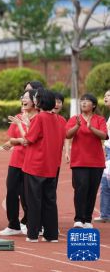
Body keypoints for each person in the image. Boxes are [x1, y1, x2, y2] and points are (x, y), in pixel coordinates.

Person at [19, 89, 66, 242]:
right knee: (50, 201)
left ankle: (32, 234)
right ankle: (51, 235)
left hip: (35, 165)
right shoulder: (61, 120)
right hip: (52, 166)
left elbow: (28, 139)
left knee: (33, 201)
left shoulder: (39, 118)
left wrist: (25, 125)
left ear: (40, 101)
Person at [66, 93, 109, 228]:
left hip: (96, 162)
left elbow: (104, 135)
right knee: (81, 188)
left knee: (92, 190)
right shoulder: (75, 119)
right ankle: (79, 218)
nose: (84, 103)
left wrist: (91, 128)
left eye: (87, 101)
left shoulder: (99, 119)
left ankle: (88, 219)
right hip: (79, 161)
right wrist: (77, 126)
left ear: (94, 105)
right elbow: (67, 134)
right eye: (82, 101)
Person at [0, 89, 37, 236]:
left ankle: (28, 222)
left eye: (27, 98)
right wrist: (12, 142)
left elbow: (28, 140)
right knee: (12, 192)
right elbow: (12, 138)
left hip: (31, 161)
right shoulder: (18, 117)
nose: (23, 100)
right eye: (23, 97)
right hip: (16, 161)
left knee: (28, 195)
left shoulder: (39, 118)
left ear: (35, 101)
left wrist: (17, 140)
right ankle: (13, 224)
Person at [95, 90, 110, 222]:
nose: (105, 97)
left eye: (109, 96)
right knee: (105, 184)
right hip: (108, 151)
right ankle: (105, 213)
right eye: (104, 95)